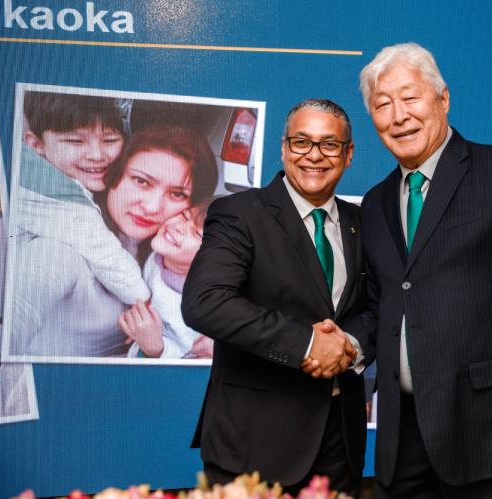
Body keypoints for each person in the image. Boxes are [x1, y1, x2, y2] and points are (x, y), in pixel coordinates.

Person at [349, 43, 492, 498]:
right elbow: (382, 307)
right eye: (382, 104)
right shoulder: (374, 203)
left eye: (410, 98)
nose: (399, 116)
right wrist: (346, 344)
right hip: (403, 440)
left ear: (443, 98)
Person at [182, 99, 367, 496]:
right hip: (254, 443)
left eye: (329, 144)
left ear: (348, 154)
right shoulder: (239, 213)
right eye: (301, 142)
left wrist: (350, 344)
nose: (314, 155)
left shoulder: (362, 223)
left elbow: (378, 307)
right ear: (283, 148)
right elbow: (206, 301)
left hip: (339, 440)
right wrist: (308, 342)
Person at [9, 122, 217, 358]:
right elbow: (18, 313)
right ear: (114, 173)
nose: (152, 206)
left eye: (177, 194)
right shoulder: (63, 247)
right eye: (141, 181)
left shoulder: (166, 257)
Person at [16, 91, 149, 307]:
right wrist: (146, 303)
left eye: (110, 139)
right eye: (75, 141)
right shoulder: (57, 196)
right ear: (36, 144)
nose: (97, 155)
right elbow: (112, 264)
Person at [121, 198, 215, 359]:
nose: (179, 227)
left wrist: (155, 348)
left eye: (198, 233)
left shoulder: (198, 311)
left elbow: (186, 357)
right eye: (184, 215)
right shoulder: (162, 254)